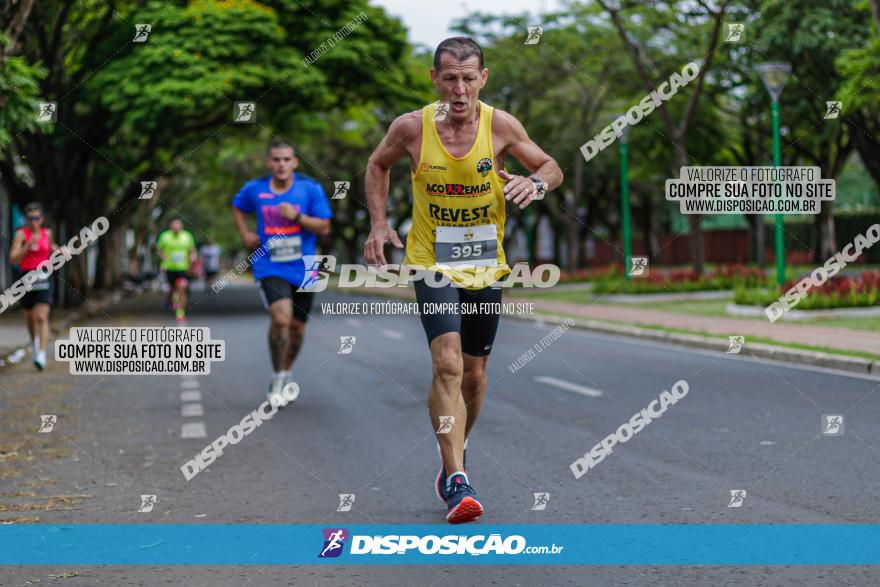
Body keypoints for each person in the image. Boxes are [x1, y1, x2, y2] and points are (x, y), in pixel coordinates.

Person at [364, 37, 563, 523]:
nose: (459, 89)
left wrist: (534, 183)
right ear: (434, 79)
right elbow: (376, 164)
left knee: (474, 376)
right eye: (449, 78)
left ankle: (457, 448)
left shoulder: (500, 126)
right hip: (431, 260)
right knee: (448, 364)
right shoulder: (411, 128)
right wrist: (378, 222)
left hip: (484, 265)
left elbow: (551, 167)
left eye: (468, 78)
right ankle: (456, 479)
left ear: (483, 78)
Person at [232, 139, 332, 404]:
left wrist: (296, 217)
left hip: (307, 267)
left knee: (297, 328)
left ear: (295, 162)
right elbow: (237, 206)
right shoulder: (255, 188)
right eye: (276, 159)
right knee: (281, 320)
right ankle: (276, 377)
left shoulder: (310, 189)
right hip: (269, 264)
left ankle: (287, 371)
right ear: (269, 162)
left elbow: (324, 227)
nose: (281, 164)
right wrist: (245, 233)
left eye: (286, 159)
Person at [9, 203, 61, 370]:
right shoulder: (20, 234)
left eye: (37, 218)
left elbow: (53, 248)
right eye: (30, 218)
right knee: (30, 318)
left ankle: (41, 354)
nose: (34, 221)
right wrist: (26, 247)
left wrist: (61, 251)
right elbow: (12, 258)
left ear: (42, 219)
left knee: (41, 316)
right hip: (26, 278)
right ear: (26, 219)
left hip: (44, 276)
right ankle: (36, 343)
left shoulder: (48, 233)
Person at [156, 219, 197, 323]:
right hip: (169, 268)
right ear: (171, 227)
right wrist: (164, 257)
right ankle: (169, 300)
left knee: (181, 288)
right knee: (172, 289)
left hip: (183, 268)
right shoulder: (164, 236)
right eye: (174, 227)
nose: (176, 229)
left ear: (182, 227)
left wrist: (193, 258)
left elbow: (192, 250)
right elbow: (159, 251)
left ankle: (180, 313)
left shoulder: (187, 236)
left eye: (178, 227)